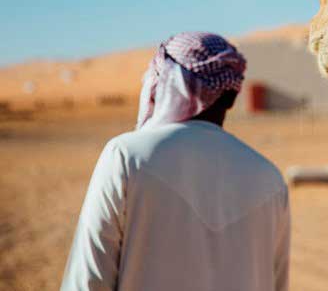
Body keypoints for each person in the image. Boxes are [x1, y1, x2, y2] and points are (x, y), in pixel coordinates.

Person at [61, 32, 290, 291]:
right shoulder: (269, 177)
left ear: (171, 84)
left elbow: (87, 280)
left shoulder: (126, 157)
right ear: (232, 96)